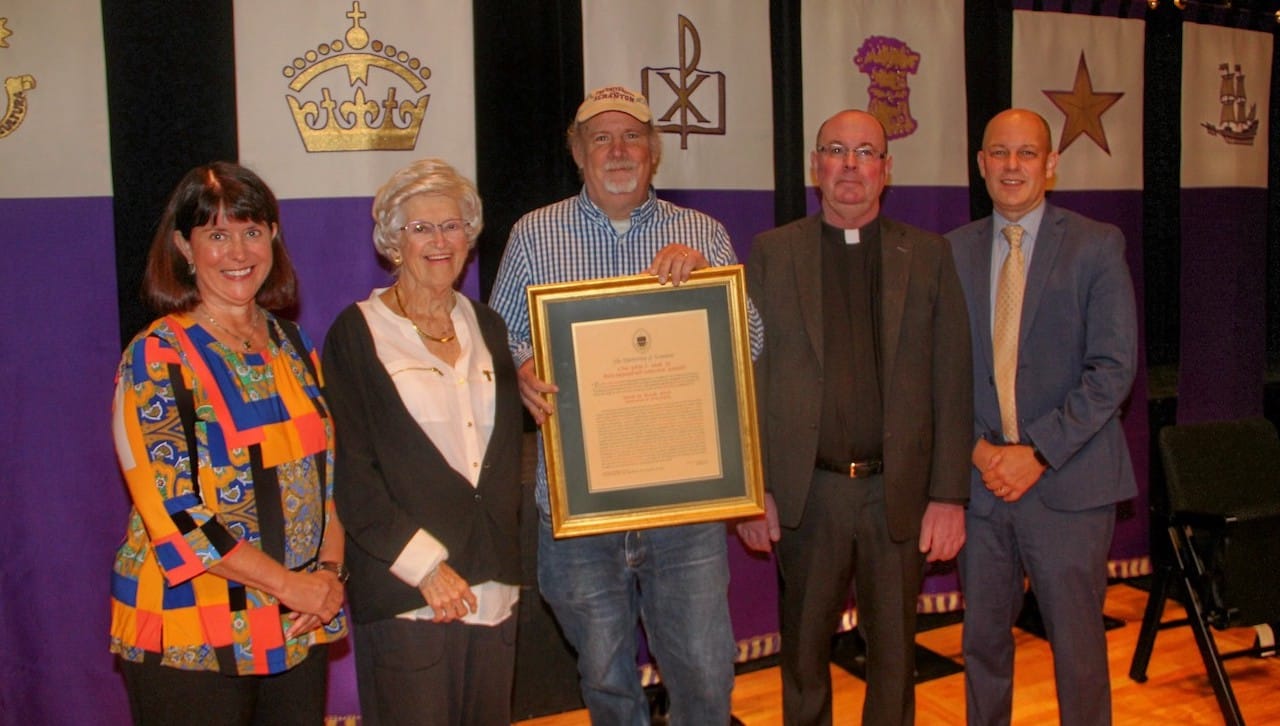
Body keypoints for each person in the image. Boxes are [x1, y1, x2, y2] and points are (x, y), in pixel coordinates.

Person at [489, 85, 763, 726]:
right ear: (578, 151)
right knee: (605, 681)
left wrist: (711, 285)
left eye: (632, 135)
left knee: (705, 675)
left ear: (654, 152)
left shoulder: (701, 234)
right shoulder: (535, 233)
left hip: (684, 506)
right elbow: (496, 343)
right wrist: (521, 368)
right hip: (579, 510)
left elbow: (751, 343)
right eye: (600, 137)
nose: (617, 150)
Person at [736, 109, 972, 726]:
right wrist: (751, 489)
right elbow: (748, 377)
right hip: (804, 495)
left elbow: (953, 381)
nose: (849, 165)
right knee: (804, 658)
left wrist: (949, 495)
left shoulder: (928, 255)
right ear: (816, 167)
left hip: (898, 496)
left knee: (894, 661)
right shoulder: (772, 253)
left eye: (865, 153)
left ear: (886, 171)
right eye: (835, 151)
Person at [109, 162, 347, 725]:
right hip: (190, 632)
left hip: (296, 625)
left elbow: (326, 484)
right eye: (216, 235)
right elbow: (177, 516)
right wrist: (292, 586)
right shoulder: (156, 356)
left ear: (273, 238)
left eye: (251, 231)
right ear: (184, 248)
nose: (237, 250)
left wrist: (330, 578)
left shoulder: (294, 343)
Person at [946, 108, 1137, 726]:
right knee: (982, 648)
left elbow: (1112, 369)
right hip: (981, 484)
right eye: (998, 153)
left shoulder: (1096, 244)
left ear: (1051, 165)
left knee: (1078, 654)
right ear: (980, 165)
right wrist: (977, 450)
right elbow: (937, 371)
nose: (1011, 166)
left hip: (1067, 484)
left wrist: (1038, 451)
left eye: (1026, 154)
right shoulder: (951, 252)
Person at [322, 158, 523, 726]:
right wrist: (427, 568)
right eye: (421, 228)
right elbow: (352, 476)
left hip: (492, 584)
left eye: (453, 226)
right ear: (392, 242)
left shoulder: (490, 328)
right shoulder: (357, 333)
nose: (440, 240)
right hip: (408, 594)